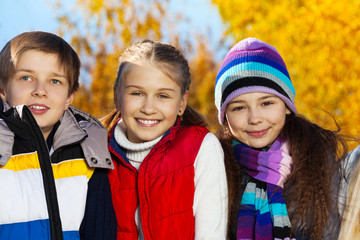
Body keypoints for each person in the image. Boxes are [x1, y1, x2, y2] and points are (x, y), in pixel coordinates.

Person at [214, 37, 347, 240]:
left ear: (286, 106)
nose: (255, 118)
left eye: (266, 103)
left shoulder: (318, 161)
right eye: (239, 107)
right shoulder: (215, 167)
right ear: (225, 116)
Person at [101, 39, 228, 240]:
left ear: (182, 103)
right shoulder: (96, 150)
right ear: (117, 96)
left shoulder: (201, 148)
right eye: (137, 93)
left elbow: (211, 234)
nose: (148, 108)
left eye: (163, 96)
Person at [0, 31, 117, 240]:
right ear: (2, 88)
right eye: (26, 77)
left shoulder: (89, 152)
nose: (40, 90)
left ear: (70, 97)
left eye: (55, 81)